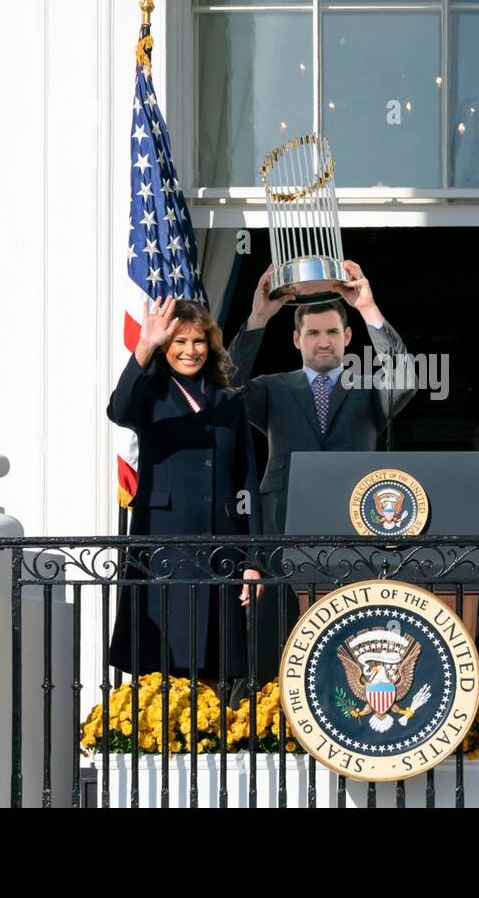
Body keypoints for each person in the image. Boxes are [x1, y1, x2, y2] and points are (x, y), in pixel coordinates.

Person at [226, 261, 416, 683]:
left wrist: (369, 310)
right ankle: (270, 719)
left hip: (353, 528)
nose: (323, 341)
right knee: (278, 633)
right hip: (282, 524)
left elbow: (405, 379)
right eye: (313, 332)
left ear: (348, 338)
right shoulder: (273, 387)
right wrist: (259, 317)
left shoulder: (368, 389)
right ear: (296, 339)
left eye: (332, 331)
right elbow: (224, 387)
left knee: (348, 633)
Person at [106, 296, 263, 685]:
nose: (189, 351)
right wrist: (144, 346)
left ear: (209, 345)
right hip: (163, 543)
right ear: (165, 347)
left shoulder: (228, 400)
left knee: (216, 663)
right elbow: (118, 410)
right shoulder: (151, 393)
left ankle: (210, 740)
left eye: (198, 341)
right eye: (179, 342)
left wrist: (254, 558)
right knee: (160, 663)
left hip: (220, 548)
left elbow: (247, 481)